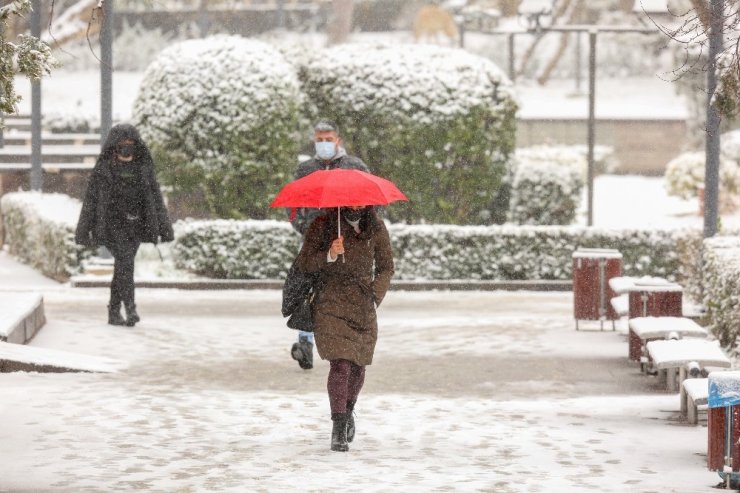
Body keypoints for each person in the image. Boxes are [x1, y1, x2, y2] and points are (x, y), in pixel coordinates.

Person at [295, 204, 394, 452]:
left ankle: (348, 411)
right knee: (341, 363)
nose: (357, 207)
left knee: (358, 367)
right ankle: (338, 427)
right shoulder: (323, 224)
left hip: (362, 305)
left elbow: (386, 266)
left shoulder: (376, 226)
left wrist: (375, 294)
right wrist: (329, 253)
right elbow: (305, 263)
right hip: (330, 303)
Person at [75, 123, 174, 327]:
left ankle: (113, 311)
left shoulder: (143, 168)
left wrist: (164, 228)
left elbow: (155, 199)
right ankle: (130, 308)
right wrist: (83, 231)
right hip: (112, 226)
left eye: (130, 144)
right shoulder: (104, 170)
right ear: (115, 146)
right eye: (122, 144)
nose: (126, 148)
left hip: (135, 226)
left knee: (123, 266)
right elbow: (91, 201)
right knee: (126, 261)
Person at [289, 120, 369, 370]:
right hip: (314, 243)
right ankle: (305, 343)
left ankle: (345, 345)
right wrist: (305, 227)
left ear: (338, 140)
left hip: (345, 242)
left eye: (328, 139)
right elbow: (293, 208)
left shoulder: (354, 167)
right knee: (309, 291)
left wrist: (357, 229)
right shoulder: (306, 169)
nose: (323, 144)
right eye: (319, 139)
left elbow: (370, 204)